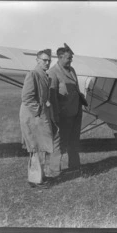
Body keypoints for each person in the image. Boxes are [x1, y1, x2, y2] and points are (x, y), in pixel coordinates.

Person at [20, 49, 61, 188]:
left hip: (40, 115)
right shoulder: (33, 74)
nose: (47, 62)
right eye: (44, 60)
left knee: (41, 146)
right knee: (35, 147)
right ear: (37, 60)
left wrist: (45, 105)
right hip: (33, 116)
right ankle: (35, 180)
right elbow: (26, 97)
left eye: (49, 60)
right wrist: (39, 110)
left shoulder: (44, 75)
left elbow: (42, 96)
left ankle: (40, 177)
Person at [48, 43, 87, 172]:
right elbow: (52, 96)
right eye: (68, 58)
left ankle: (75, 166)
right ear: (60, 57)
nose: (71, 60)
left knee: (74, 141)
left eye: (71, 58)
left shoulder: (72, 70)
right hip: (63, 115)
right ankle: (54, 170)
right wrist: (56, 115)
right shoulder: (52, 73)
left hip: (76, 111)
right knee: (59, 143)